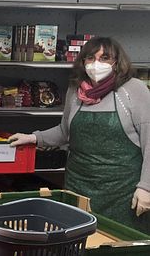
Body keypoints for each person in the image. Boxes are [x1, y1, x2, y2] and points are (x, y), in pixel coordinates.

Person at [10, 37, 150, 233]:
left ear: (117, 63)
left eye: (105, 58)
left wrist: (146, 187)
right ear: (83, 62)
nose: (96, 64)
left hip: (122, 191)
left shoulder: (133, 90)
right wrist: (33, 138)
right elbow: (65, 132)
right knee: (77, 240)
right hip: (78, 186)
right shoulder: (76, 92)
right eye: (90, 58)